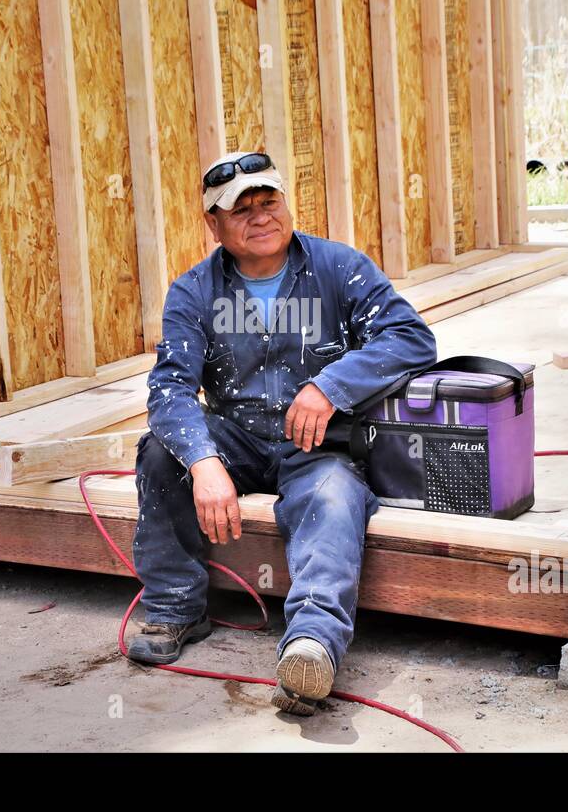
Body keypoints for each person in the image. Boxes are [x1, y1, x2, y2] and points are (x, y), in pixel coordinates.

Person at [128, 150, 438, 715]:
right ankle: (174, 606)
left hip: (319, 447)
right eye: (239, 209)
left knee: (335, 497)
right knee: (159, 452)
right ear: (213, 225)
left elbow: (410, 339)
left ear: (285, 204)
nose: (260, 216)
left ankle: (311, 645)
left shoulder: (337, 268)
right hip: (238, 440)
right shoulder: (194, 291)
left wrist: (331, 386)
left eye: (268, 201)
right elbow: (169, 389)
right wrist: (202, 461)